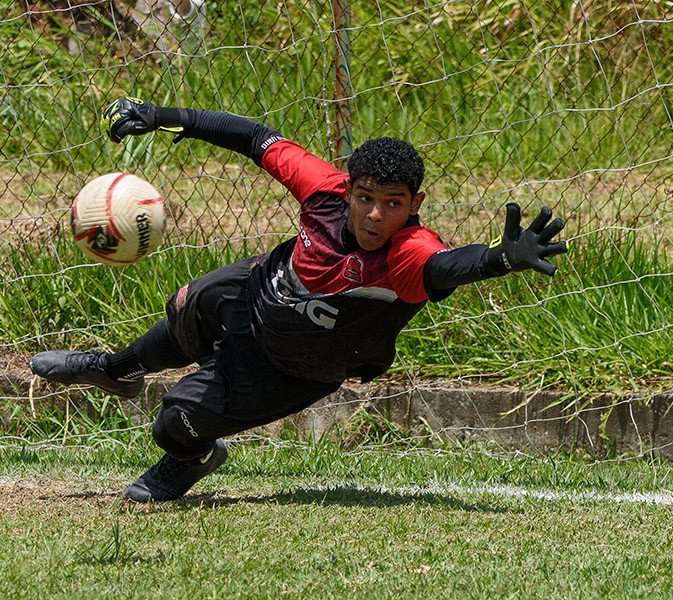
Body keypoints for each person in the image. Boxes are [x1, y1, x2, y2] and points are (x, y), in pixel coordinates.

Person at [30, 98, 568, 502]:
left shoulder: (409, 253)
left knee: (173, 423)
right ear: (349, 188)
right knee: (191, 304)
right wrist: (160, 115)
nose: (375, 215)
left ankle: (193, 456)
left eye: (393, 204)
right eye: (365, 199)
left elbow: (446, 266)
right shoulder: (323, 189)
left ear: (415, 204)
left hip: (297, 365)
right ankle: (116, 370)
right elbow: (254, 136)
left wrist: (498, 259)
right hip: (261, 290)